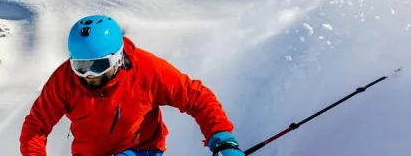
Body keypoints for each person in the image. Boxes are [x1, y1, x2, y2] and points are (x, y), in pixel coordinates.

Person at [20, 15, 246, 156]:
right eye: (80, 66)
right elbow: (36, 125)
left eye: (98, 66)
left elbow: (196, 96)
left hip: (140, 150)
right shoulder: (65, 80)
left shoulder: (147, 70)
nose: (88, 75)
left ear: (117, 58)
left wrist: (222, 138)